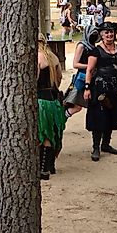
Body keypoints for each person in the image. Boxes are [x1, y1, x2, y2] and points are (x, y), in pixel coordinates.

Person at [83, 21, 117, 161]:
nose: (109, 34)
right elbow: (90, 70)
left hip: (116, 87)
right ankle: (96, 147)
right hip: (100, 87)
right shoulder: (95, 51)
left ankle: (106, 144)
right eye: (106, 32)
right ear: (101, 35)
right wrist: (87, 88)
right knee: (99, 116)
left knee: (113, 115)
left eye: (111, 32)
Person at [36, 33, 65, 179]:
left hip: (41, 101)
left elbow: (34, 80)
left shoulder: (37, 57)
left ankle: (44, 169)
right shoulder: (53, 57)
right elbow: (59, 78)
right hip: (54, 100)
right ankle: (50, 165)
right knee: (53, 133)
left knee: (44, 134)